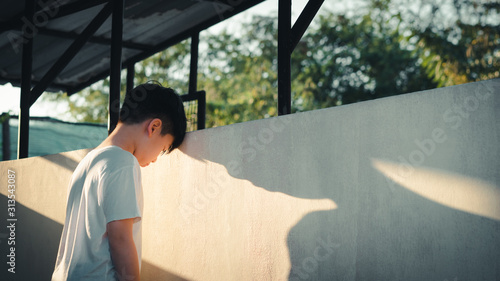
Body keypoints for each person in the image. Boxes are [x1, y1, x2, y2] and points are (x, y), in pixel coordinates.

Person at [51, 82, 187, 281]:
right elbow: (121, 239)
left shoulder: (87, 162)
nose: (157, 158)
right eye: (163, 148)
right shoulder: (123, 162)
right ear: (154, 127)